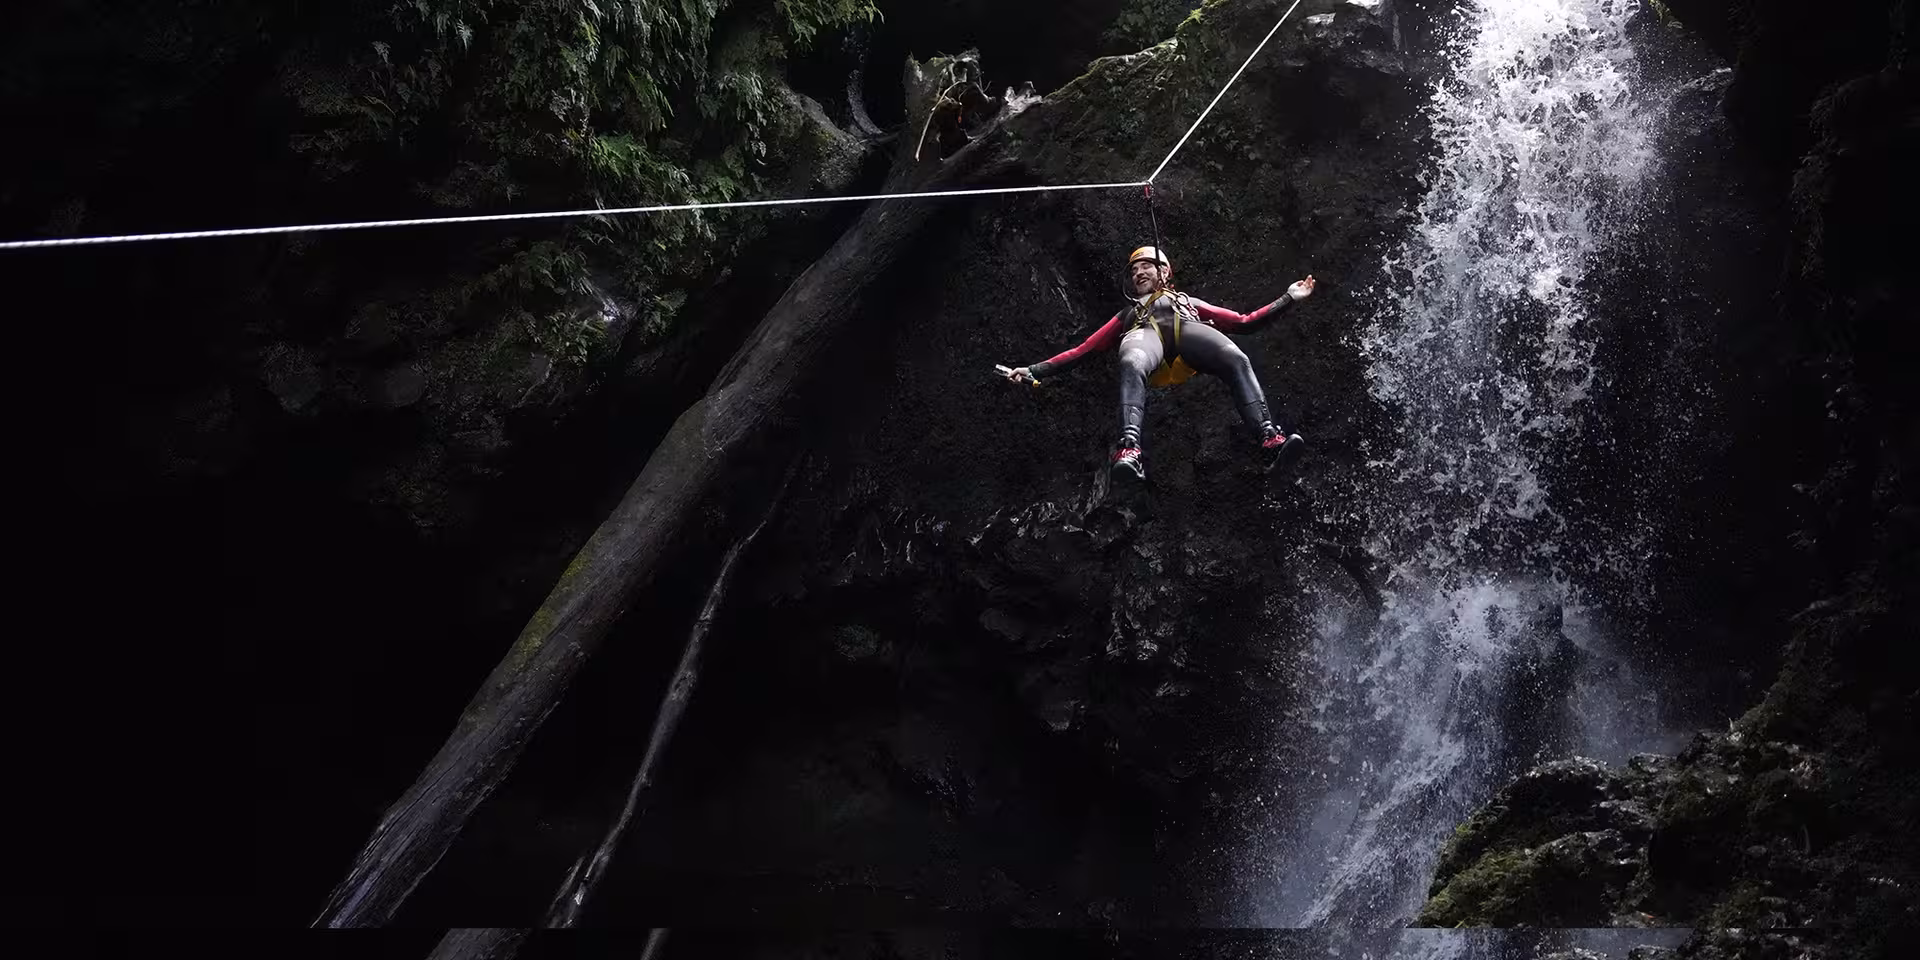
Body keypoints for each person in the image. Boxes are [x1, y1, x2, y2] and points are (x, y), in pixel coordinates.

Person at [1002, 246, 1315, 483]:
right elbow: (1084, 350)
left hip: (1188, 332)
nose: (1138, 273)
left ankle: (1269, 439)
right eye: (1134, 270)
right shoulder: (1128, 314)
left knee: (1236, 357)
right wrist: (1034, 370)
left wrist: (1288, 298)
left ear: (1165, 272)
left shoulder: (1190, 303)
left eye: (1146, 266)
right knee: (1131, 359)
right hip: (1146, 337)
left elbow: (1244, 322)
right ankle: (1129, 449)